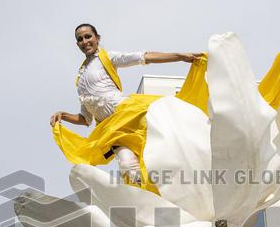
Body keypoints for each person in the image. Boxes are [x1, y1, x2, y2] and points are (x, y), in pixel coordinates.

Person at [50, 23, 202, 188]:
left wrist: (179, 56)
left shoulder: (106, 58)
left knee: (166, 138)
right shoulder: (80, 80)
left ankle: (192, 162)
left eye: (88, 36)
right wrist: (63, 115)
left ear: (97, 38)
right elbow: (85, 119)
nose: (85, 41)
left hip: (128, 113)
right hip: (113, 130)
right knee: (127, 166)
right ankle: (151, 195)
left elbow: (144, 57)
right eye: (80, 39)